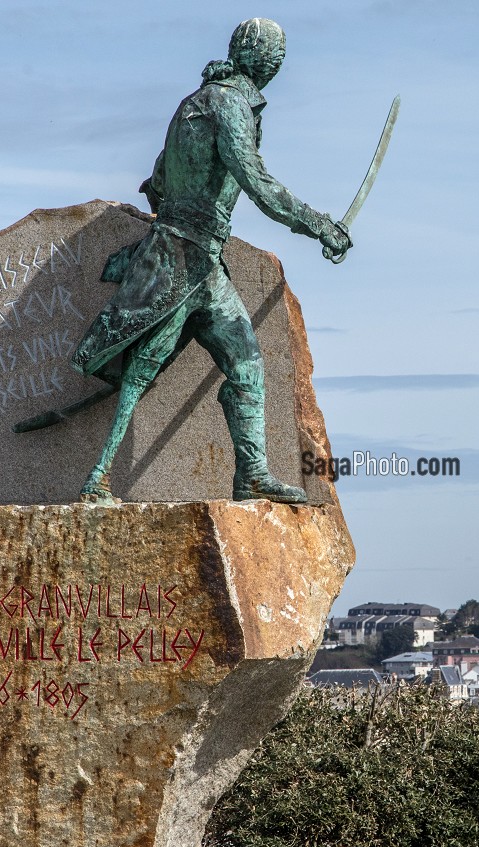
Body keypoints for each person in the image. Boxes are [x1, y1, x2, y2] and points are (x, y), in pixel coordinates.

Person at [71, 17, 351, 504]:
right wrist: (319, 224)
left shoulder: (193, 102)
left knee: (246, 367)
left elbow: (157, 179)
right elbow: (258, 184)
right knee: (142, 369)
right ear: (272, 66)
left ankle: (253, 475)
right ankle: (96, 480)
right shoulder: (229, 104)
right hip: (183, 257)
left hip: (204, 262)